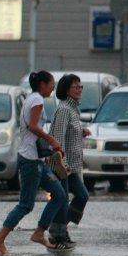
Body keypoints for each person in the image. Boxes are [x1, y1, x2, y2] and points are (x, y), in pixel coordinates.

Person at [0, 71, 69, 255]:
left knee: (59, 194)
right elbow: (33, 126)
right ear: (42, 84)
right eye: (51, 84)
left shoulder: (32, 98)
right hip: (29, 160)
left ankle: (40, 232)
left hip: (36, 159)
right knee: (26, 204)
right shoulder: (37, 101)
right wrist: (53, 141)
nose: (53, 87)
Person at [48, 73, 91, 246]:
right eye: (76, 86)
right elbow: (58, 138)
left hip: (71, 166)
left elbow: (69, 132)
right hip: (62, 165)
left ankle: (60, 229)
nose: (79, 89)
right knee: (63, 199)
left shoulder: (73, 109)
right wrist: (61, 164)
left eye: (81, 86)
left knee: (81, 196)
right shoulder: (64, 109)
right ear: (66, 90)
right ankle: (57, 234)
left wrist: (80, 132)